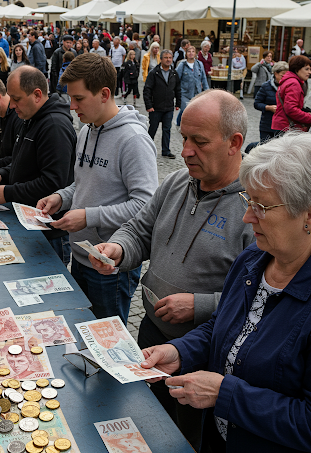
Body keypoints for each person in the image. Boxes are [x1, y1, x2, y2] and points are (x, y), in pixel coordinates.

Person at [88, 89, 254, 450]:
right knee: (144, 422)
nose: (185, 151)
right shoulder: (178, 182)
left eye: (200, 141)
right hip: (152, 334)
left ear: (234, 142)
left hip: (203, 353)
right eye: (183, 138)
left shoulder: (254, 210)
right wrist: (118, 248)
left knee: (186, 439)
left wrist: (202, 305)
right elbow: (140, 229)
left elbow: (257, 299)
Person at [140, 132, 311, 453]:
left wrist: (224, 395)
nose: (248, 217)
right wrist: (179, 352)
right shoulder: (254, 260)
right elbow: (221, 327)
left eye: (261, 206)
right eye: (249, 201)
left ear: (308, 216)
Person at [37, 54, 158, 324]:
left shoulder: (133, 140)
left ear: (104, 94)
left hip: (109, 264)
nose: (71, 106)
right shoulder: (86, 130)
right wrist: (61, 198)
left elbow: (145, 205)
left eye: (79, 99)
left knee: (106, 337)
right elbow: (84, 182)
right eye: (70, 98)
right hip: (81, 254)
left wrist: (88, 216)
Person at [0, 66, 77, 264]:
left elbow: (53, 183)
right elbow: (22, 161)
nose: (12, 105)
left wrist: (8, 192)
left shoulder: (53, 125)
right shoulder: (30, 118)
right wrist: (3, 174)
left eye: (16, 99)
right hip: (31, 223)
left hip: (49, 232)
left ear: (37, 95)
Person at [143, 49, 181, 159]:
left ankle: (166, 150)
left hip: (168, 107)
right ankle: (146, 149)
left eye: (170, 57)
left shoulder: (174, 73)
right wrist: (149, 106)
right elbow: (147, 90)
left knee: (167, 129)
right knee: (152, 129)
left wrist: (178, 103)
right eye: (166, 57)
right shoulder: (154, 73)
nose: (168, 60)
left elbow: (178, 89)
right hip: (155, 107)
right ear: (161, 59)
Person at [251, 61, 289, 144]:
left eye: (287, 76)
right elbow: (257, 103)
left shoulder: (289, 87)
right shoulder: (266, 86)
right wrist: (268, 107)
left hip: (283, 126)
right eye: (282, 75)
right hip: (267, 125)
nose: (285, 78)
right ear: (275, 74)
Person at [272, 55, 311, 133]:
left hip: (283, 125)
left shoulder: (290, 80)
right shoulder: (294, 83)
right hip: (287, 126)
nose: (309, 72)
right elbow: (291, 109)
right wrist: (309, 117)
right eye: (306, 69)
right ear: (297, 69)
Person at [175, 45, 209, 126]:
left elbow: (203, 79)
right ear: (186, 53)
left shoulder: (199, 64)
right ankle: (181, 124)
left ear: (195, 54)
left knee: (194, 110)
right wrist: (175, 92)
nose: (191, 53)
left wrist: (207, 91)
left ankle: (185, 124)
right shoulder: (182, 65)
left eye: (193, 51)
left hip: (196, 92)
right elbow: (176, 79)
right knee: (185, 110)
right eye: (189, 51)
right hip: (184, 93)